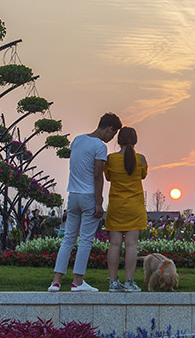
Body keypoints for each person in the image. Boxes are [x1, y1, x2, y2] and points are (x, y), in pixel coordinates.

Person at [49, 112, 121, 292]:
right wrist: (99, 201)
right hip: (89, 195)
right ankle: (77, 281)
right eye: (112, 134)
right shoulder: (99, 146)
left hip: (73, 194)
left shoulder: (77, 140)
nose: (111, 138)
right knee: (85, 240)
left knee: (68, 239)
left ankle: (56, 281)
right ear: (109, 129)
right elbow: (98, 175)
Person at [103, 126, 147, 292]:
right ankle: (129, 282)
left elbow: (108, 177)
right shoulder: (141, 159)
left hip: (116, 207)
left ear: (118, 140)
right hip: (135, 208)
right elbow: (142, 175)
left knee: (114, 245)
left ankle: (113, 282)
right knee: (131, 245)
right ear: (135, 141)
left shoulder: (110, 159)